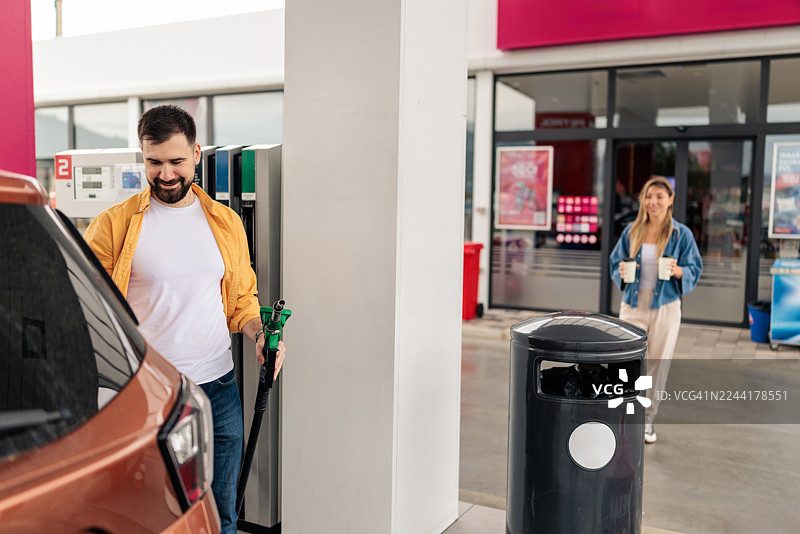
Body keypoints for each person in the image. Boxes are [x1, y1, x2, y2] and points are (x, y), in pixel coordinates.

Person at [84, 105, 286, 533]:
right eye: (154, 162)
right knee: (157, 516)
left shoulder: (225, 222)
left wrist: (258, 336)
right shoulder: (113, 226)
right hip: (152, 394)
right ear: (143, 156)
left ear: (196, 153)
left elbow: (241, 300)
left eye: (176, 161)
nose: (166, 174)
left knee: (223, 514)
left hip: (219, 387)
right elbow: (88, 307)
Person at [609, 176, 702, 444]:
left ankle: (648, 419)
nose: (653, 202)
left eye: (660, 197)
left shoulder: (680, 234)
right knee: (625, 363)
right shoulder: (632, 231)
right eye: (649, 196)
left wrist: (677, 270)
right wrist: (623, 274)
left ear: (670, 200)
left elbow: (694, 268)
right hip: (633, 306)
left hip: (665, 308)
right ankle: (625, 415)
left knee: (656, 365)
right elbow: (616, 263)